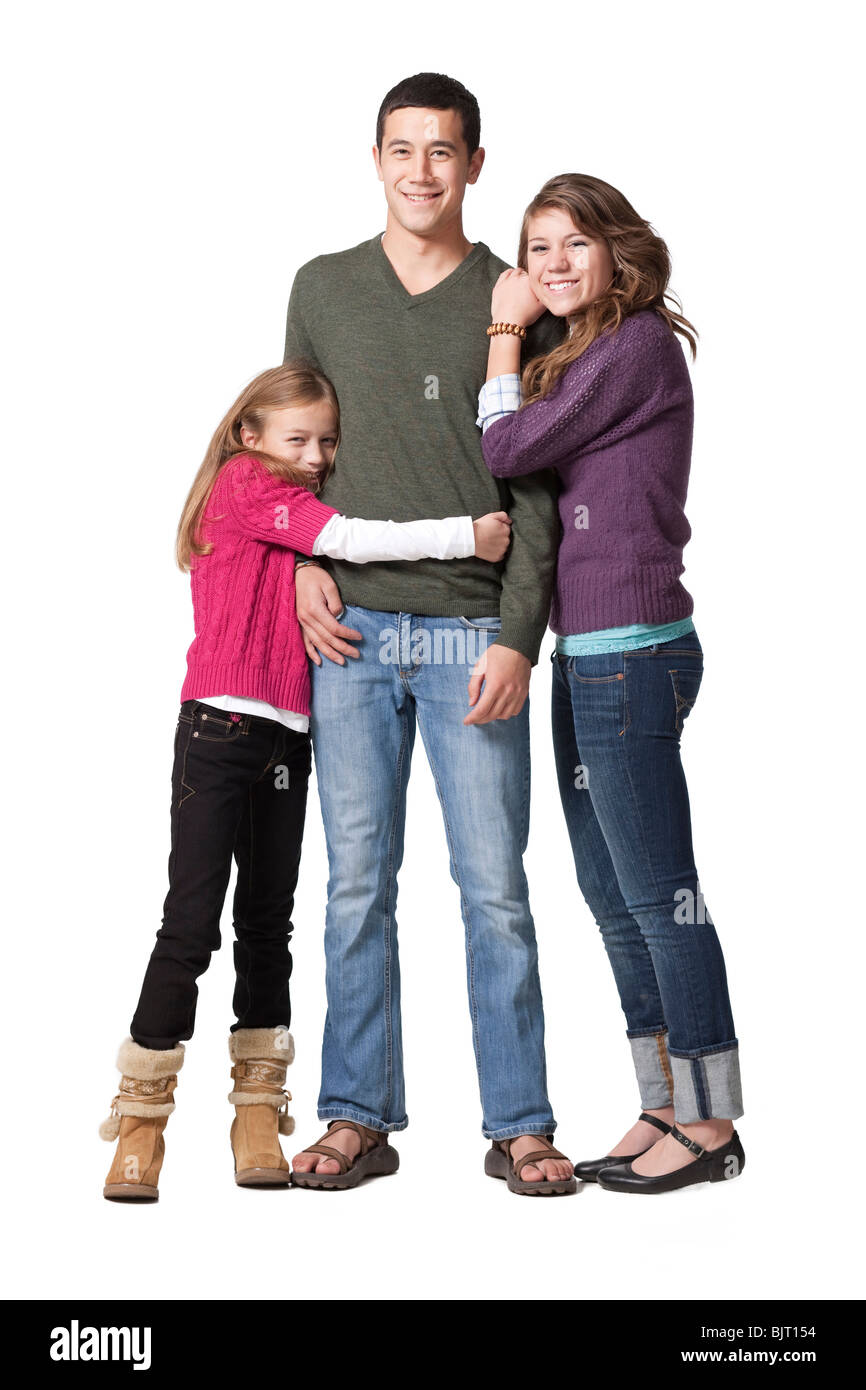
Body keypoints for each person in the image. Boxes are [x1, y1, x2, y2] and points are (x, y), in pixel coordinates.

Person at [98, 360, 512, 1201]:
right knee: (191, 924)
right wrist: (468, 536)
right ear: (249, 435)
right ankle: (140, 1118)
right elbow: (352, 539)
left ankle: (258, 1111)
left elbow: (322, 553)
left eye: (327, 441)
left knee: (266, 927)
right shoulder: (250, 482)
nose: (318, 456)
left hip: (287, 739)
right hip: (219, 729)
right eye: (300, 439)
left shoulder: (278, 494)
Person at [286, 72, 576, 1196]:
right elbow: (297, 450)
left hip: (467, 629)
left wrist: (517, 635)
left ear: (473, 165)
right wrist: (306, 563)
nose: (420, 171)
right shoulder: (321, 287)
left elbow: (541, 481)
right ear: (374, 160)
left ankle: (520, 1123)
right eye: (400, 150)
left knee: (492, 884)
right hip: (350, 635)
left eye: (441, 151)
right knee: (355, 881)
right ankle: (357, 1113)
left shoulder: (514, 299)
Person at [477, 173, 745, 1194]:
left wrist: (502, 333)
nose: (551, 263)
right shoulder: (582, 351)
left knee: (659, 890)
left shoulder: (632, 344)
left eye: (571, 243)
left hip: (631, 654)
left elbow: (505, 445)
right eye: (535, 246)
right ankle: (661, 1099)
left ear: (613, 251)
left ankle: (711, 1119)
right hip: (585, 654)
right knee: (609, 891)